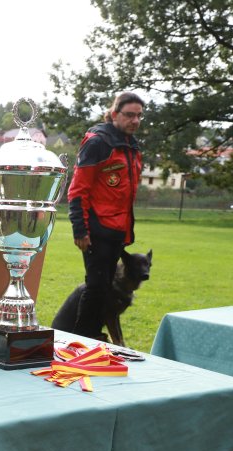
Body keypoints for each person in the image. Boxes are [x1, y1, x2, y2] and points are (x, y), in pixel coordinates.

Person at [67, 91, 145, 340]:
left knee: (105, 290)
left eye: (139, 116)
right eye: (129, 115)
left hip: (118, 232)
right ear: (114, 114)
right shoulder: (98, 142)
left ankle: (93, 338)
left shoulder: (131, 146)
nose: (135, 120)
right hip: (96, 230)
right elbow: (78, 189)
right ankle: (80, 341)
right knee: (97, 287)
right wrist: (80, 229)